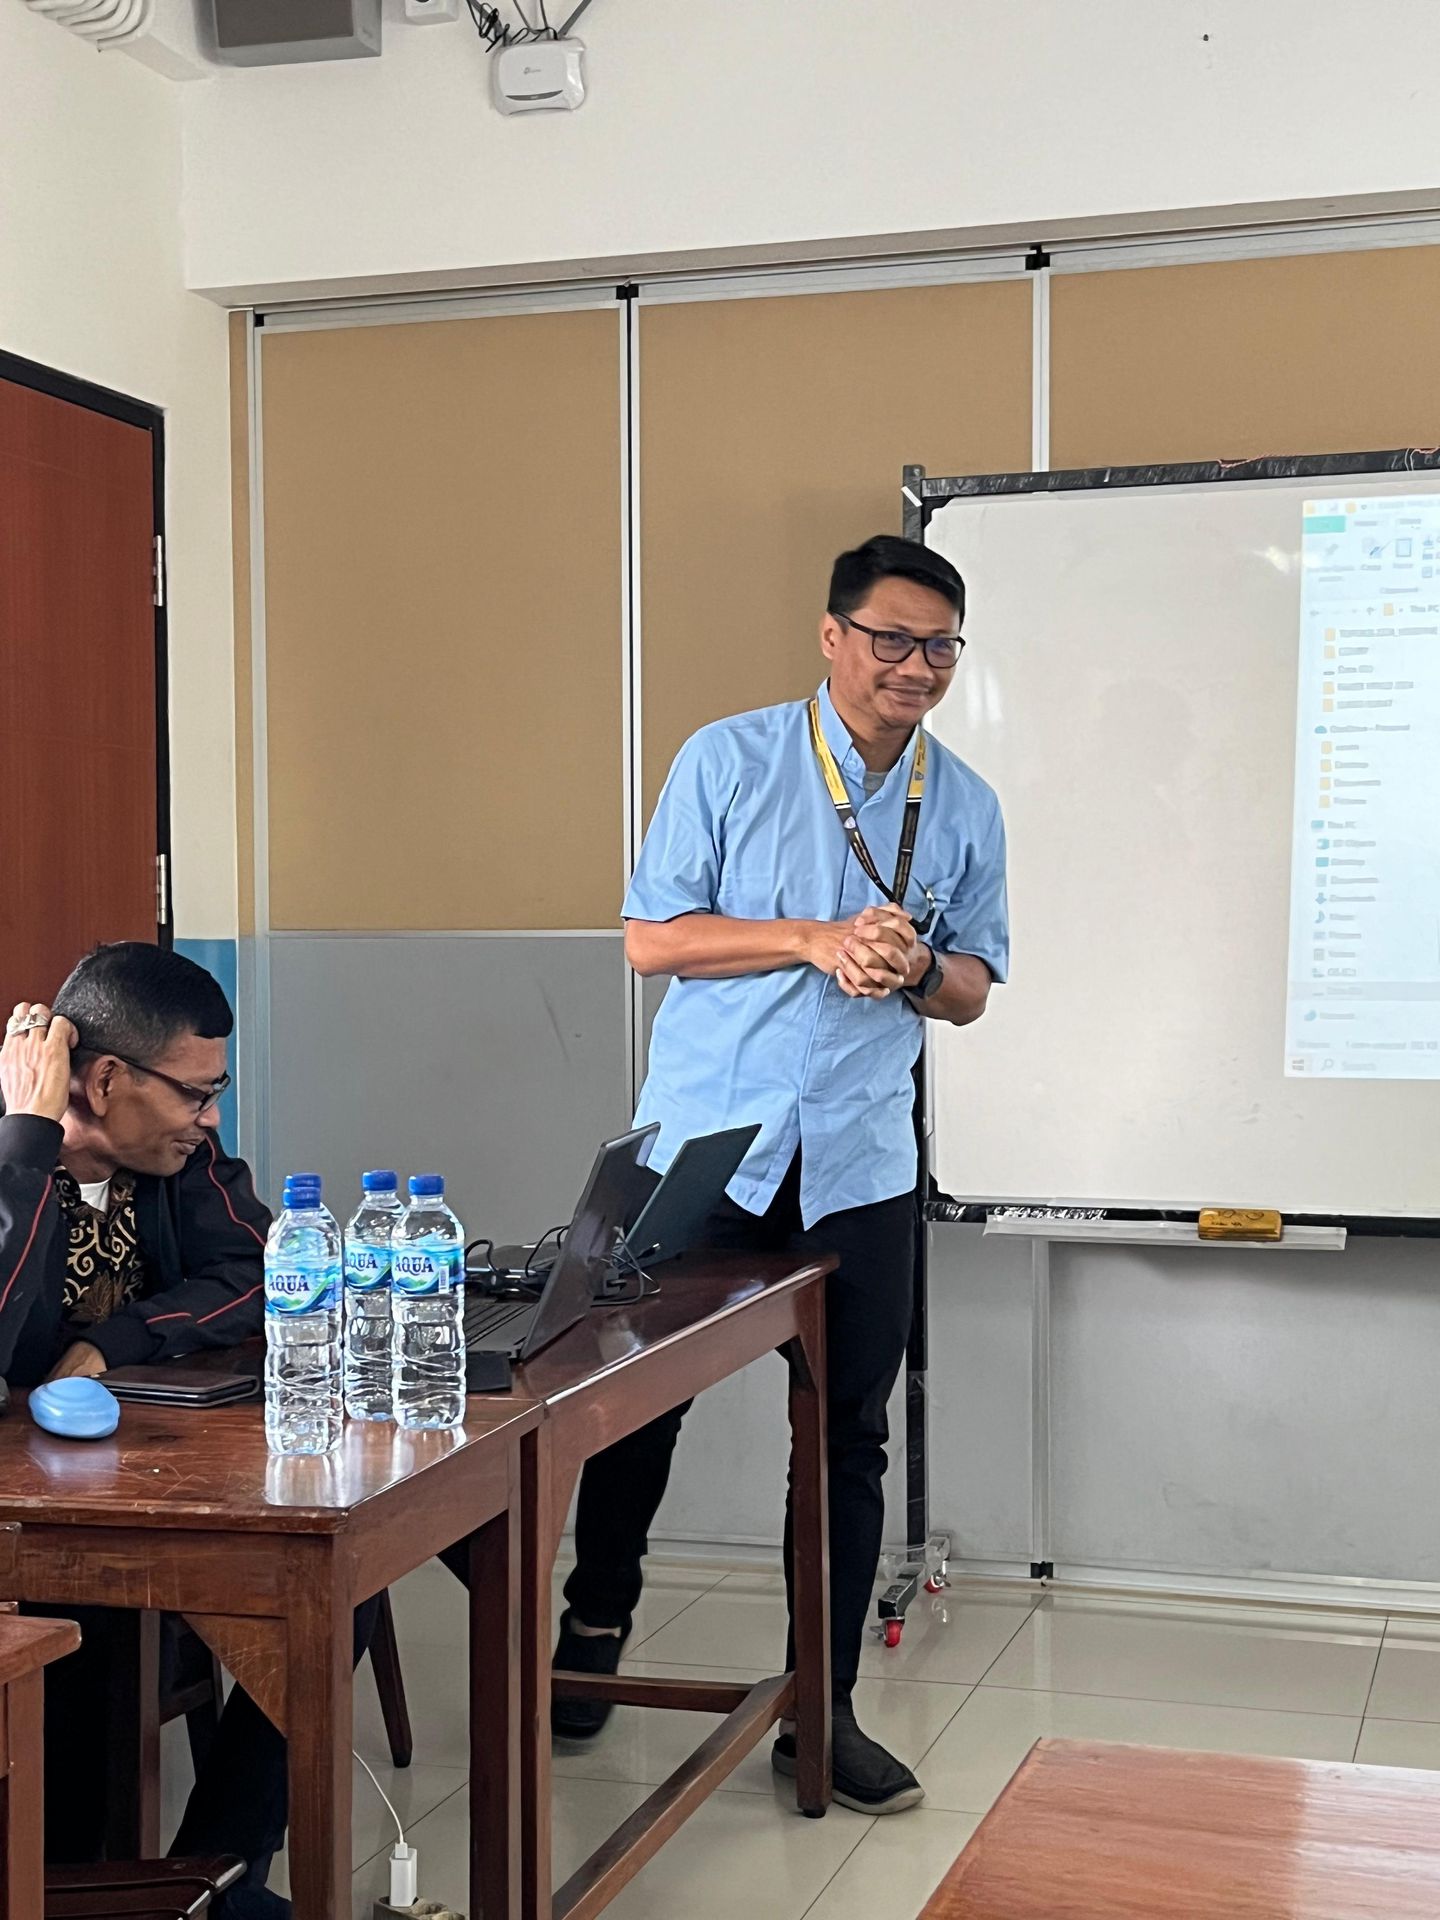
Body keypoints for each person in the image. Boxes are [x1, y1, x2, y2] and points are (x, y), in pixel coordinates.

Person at [550, 534, 1009, 1814]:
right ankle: (592, 1631)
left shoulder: (964, 802)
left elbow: (973, 989)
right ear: (832, 636)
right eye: (892, 639)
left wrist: (919, 968)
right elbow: (651, 942)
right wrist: (808, 939)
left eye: (940, 648)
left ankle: (824, 1711)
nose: (915, 667)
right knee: (634, 1404)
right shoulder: (730, 759)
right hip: (707, 1146)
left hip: (860, 1162)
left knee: (848, 1436)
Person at [0, 942, 358, 1920]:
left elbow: (256, 1274)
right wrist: (26, 1144)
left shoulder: (176, 1158)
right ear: (105, 1080)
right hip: (26, 1520)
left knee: (344, 1579)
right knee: (92, 1619)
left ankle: (215, 1873)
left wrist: (115, 1341)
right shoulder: (14, 1156)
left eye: (215, 1093)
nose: (210, 1121)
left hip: (139, 1477)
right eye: (195, 1095)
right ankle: (81, 1885)